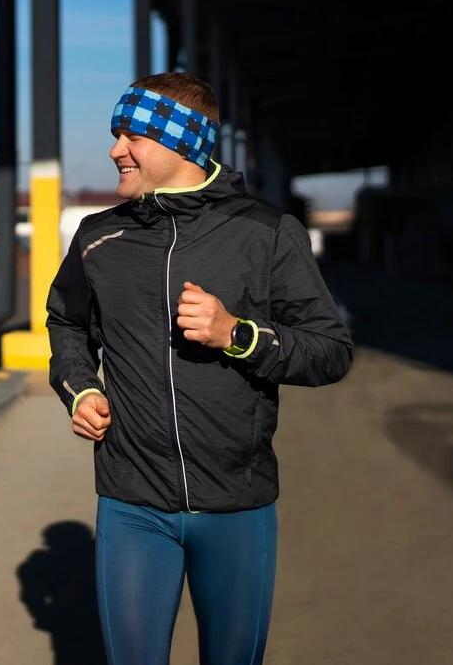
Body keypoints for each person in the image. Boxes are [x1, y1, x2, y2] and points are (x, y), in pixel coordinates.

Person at [46, 73, 353, 665]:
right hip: (132, 502)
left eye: (132, 134)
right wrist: (80, 387)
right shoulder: (99, 236)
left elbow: (329, 350)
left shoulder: (266, 232)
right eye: (116, 134)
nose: (115, 150)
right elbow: (65, 323)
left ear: (182, 140)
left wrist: (236, 335)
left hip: (237, 505)